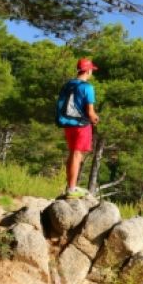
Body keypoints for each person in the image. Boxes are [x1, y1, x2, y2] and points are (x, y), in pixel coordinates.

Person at [56, 58, 100, 198]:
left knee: (72, 154)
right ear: (88, 70)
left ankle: (70, 186)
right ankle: (72, 189)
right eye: (91, 70)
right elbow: (90, 112)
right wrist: (96, 119)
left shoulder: (68, 84)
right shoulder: (88, 87)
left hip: (68, 123)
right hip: (81, 125)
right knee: (77, 154)